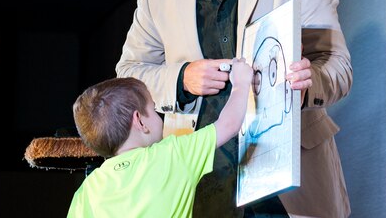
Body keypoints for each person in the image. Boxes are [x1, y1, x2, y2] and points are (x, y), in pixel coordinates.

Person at [117, 0, 352, 218]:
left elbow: (336, 66)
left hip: (289, 187)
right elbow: (129, 75)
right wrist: (182, 78)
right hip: (199, 187)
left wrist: (307, 85)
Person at [67, 59, 253, 218]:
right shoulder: (172, 154)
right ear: (140, 121)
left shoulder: (87, 189)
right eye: (154, 108)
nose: (159, 115)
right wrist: (241, 83)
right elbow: (228, 125)